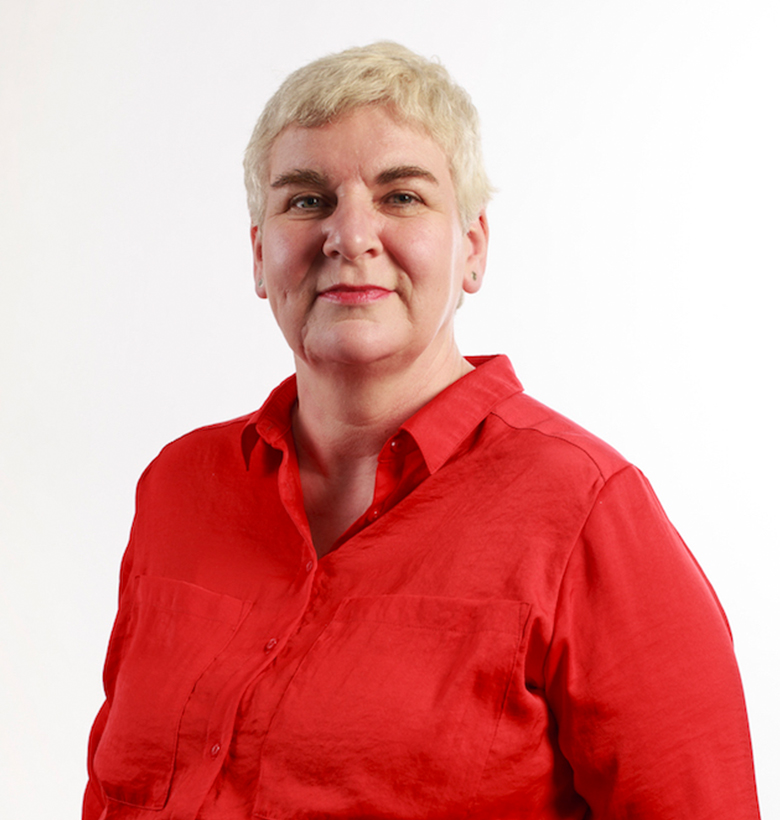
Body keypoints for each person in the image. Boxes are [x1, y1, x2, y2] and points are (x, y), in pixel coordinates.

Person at [83, 42, 760, 819]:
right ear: (259, 255)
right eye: (306, 200)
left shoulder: (588, 512)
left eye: (401, 196)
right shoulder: (179, 485)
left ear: (472, 248)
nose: (350, 235)